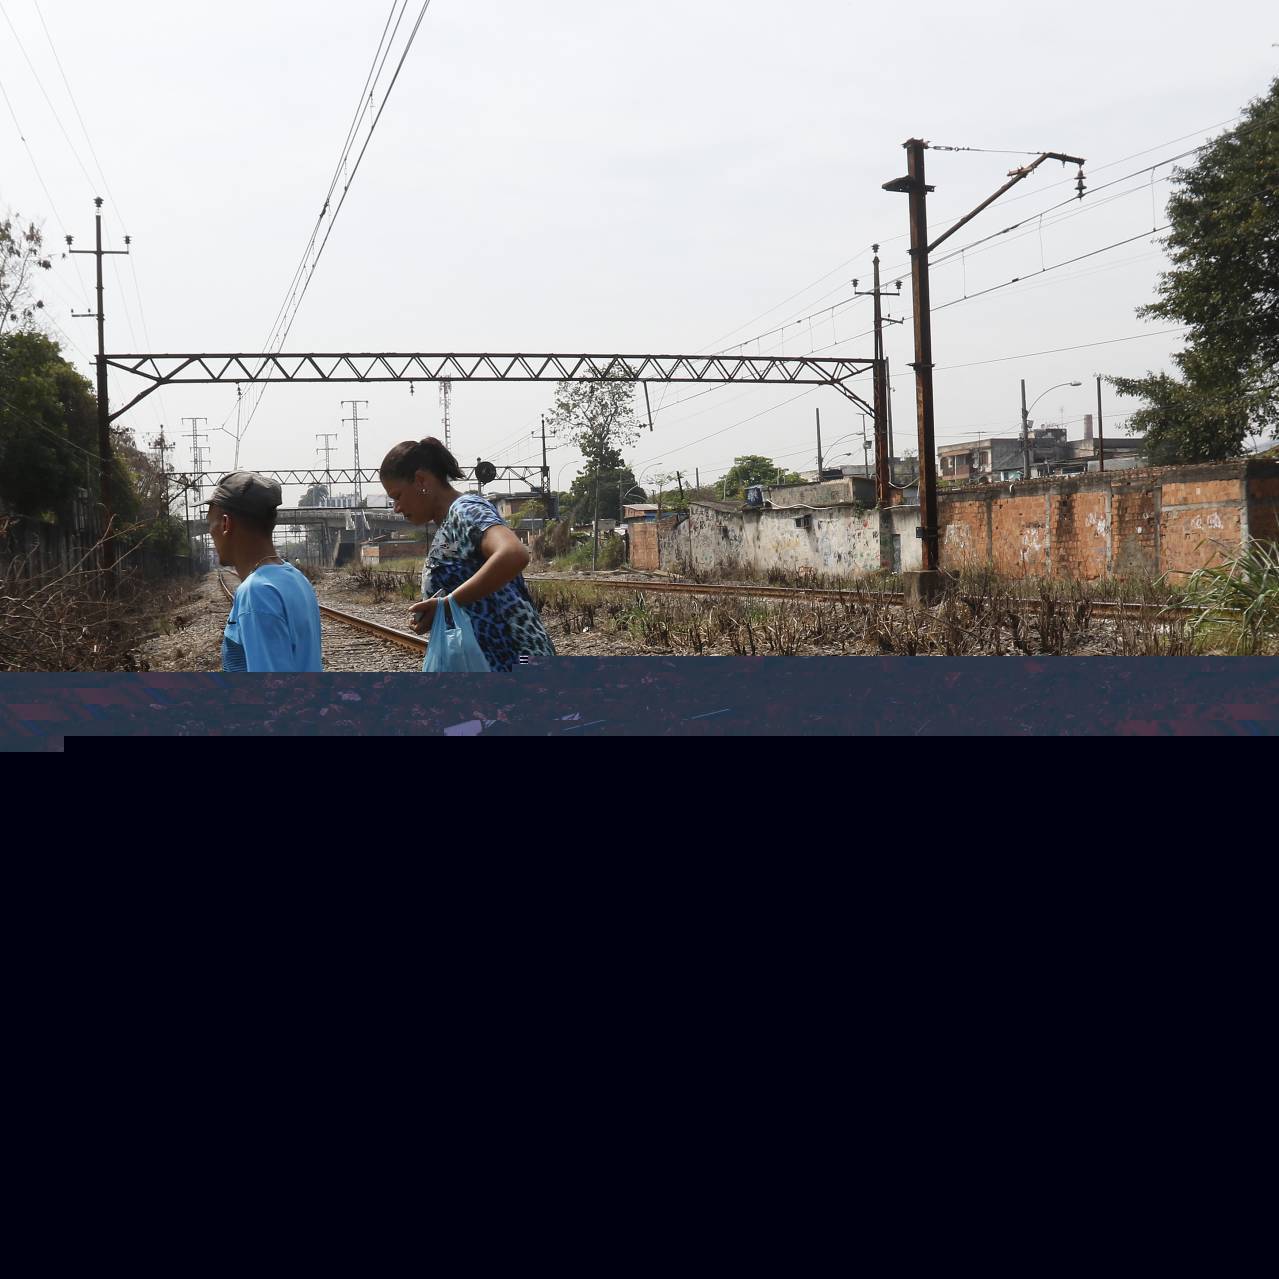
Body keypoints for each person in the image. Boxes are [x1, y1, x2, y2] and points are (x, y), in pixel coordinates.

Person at [380, 437, 556, 671]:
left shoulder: (467, 510)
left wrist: (447, 605)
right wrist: (440, 612)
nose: (397, 508)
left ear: (421, 480)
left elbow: (514, 553)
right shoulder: (449, 524)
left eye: (397, 496)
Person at [205, 471, 323, 672]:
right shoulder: (297, 579)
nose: (210, 532)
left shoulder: (256, 592)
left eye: (210, 524)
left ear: (225, 524)